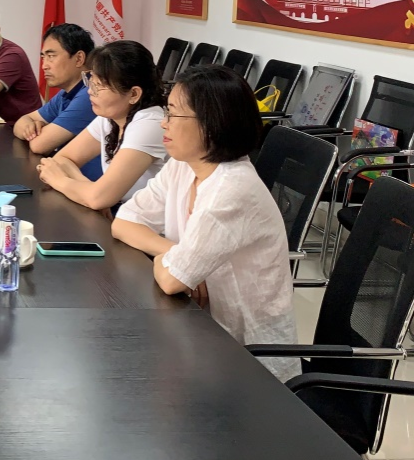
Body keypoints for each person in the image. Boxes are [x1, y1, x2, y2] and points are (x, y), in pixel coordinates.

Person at [112, 64, 300, 380]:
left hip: (248, 362)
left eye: (174, 114)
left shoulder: (232, 188)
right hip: (199, 333)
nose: (164, 122)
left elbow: (172, 281)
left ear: (212, 124)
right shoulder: (184, 165)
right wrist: (174, 254)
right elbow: (124, 221)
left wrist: (176, 264)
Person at [36, 40, 166, 211]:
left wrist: (61, 181)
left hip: (149, 222)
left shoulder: (150, 124)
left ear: (134, 94)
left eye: (100, 86)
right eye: (91, 81)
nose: (90, 91)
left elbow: (97, 198)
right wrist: (91, 191)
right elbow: (63, 159)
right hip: (123, 211)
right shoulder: (112, 115)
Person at [12, 23, 101, 180]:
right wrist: (31, 128)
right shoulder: (65, 93)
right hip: (70, 179)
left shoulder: (90, 93)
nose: (44, 66)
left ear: (79, 58)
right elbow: (22, 121)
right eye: (43, 57)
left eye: (51, 56)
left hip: (88, 185)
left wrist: (37, 130)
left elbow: (39, 145)